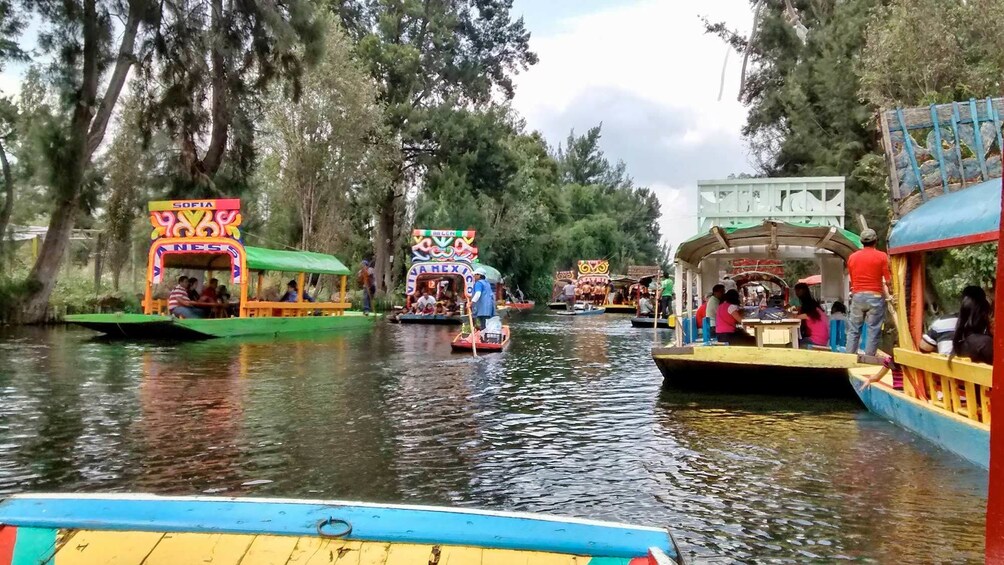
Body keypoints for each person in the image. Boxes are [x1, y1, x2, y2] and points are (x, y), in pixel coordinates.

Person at [845, 228, 892, 356]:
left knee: (854, 329)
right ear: (876, 241)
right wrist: (892, 292)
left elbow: (852, 278)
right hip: (875, 296)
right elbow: (888, 280)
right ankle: (869, 359)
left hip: (858, 296)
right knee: (873, 329)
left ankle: (849, 358)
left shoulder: (852, 258)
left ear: (861, 242)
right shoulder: (882, 256)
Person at [950, 285, 993, 364]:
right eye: (989, 314)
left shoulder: (958, 345)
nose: (990, 318)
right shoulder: (985, 343)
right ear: (983, 315)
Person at [793, 282, 829, 347]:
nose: (796, 294)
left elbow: (794, 317)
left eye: (797, 292)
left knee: (793, 343)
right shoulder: (815, 307)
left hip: (816, 341)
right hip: (824, 340)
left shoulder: (808, 311)